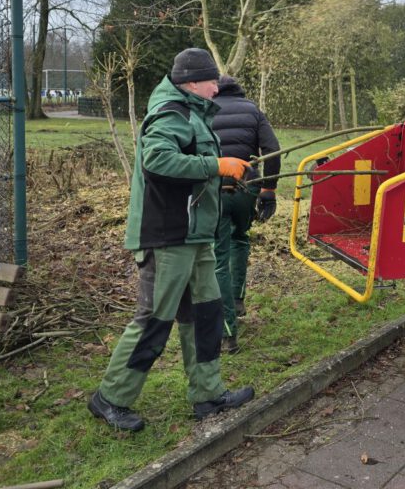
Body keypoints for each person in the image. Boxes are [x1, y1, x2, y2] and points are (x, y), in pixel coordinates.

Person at [88, 48, 255, 432]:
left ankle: (208, 395)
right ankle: (110, 398)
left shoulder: (194, 114)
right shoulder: (169, 114)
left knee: (205, 314)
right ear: (192, 83)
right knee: (154, 319)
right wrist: (216, 165)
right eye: (213, 81)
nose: (217, 88)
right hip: (166, 236)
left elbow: (190, 169)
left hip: (195, 236)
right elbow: (158, 161)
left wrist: (222, 177)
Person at [212, 76, 281, 353]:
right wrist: (269, 189)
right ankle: (238, 299)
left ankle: (227, 332)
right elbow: (273, 149)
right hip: (246, 186)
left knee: (218, 258)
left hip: (213, 188)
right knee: (240, 238)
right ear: (239, 90)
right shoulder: (252, 110)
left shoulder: (206, 108)